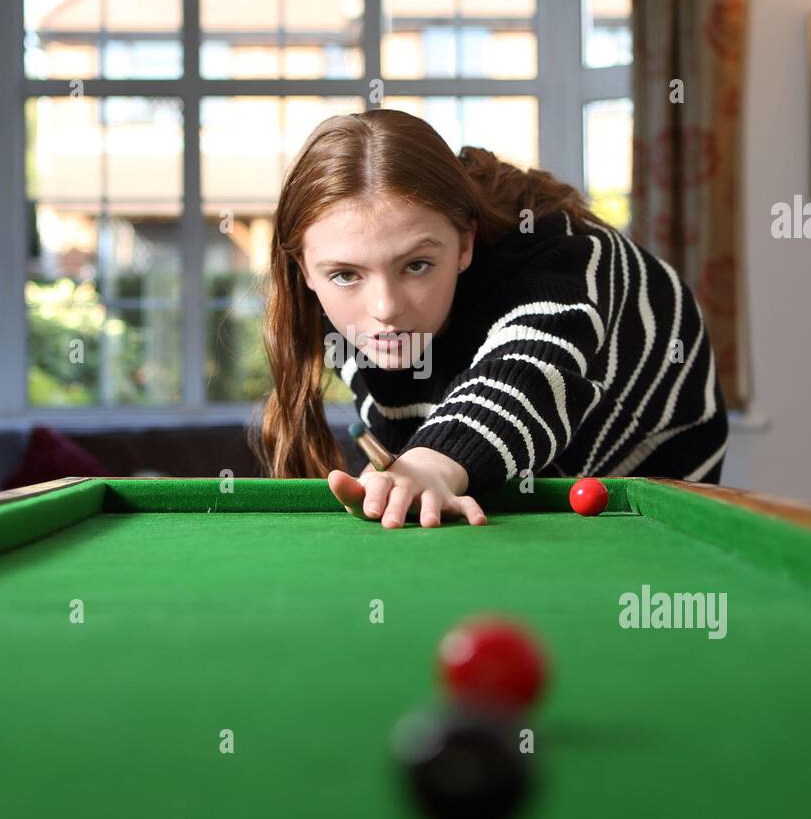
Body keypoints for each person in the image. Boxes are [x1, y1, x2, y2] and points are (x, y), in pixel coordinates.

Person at [253, 108, 729, 529]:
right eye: (345, 275)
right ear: (305, 270)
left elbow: (528, 370)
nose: (385, 308)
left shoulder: (558, 255)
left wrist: (433, 462)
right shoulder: (331, 296)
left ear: (465, 244)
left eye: (416, 265)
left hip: (642, 489)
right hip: (496, 480)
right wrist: (411, 474)